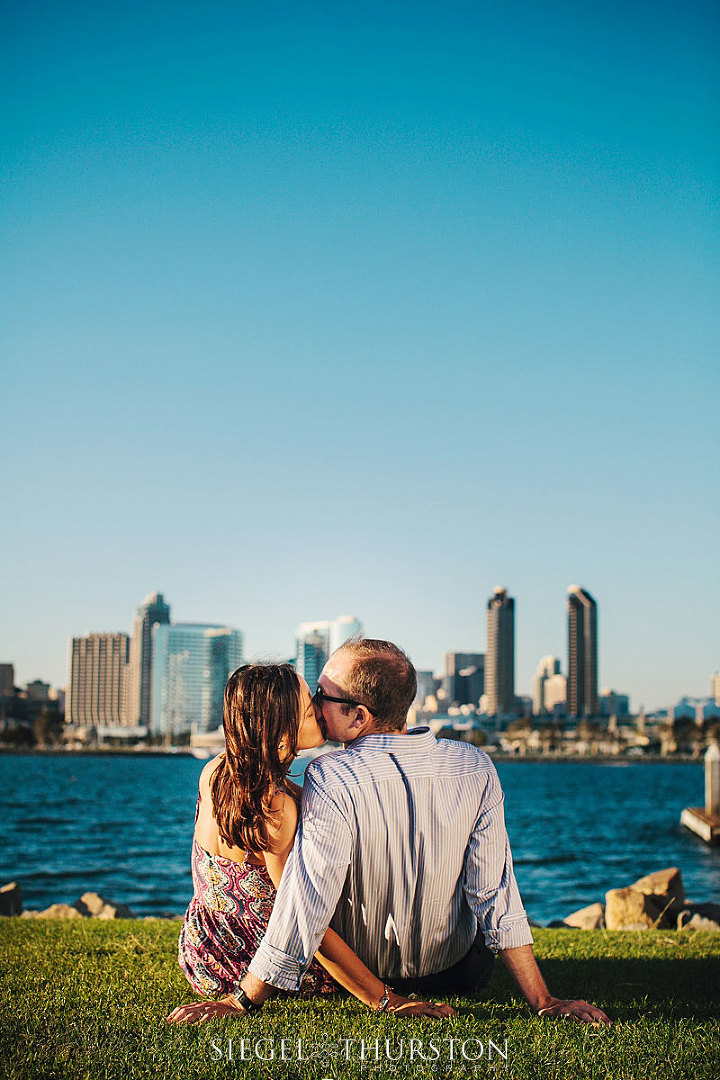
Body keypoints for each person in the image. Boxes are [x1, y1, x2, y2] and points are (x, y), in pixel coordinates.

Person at [179, 640, 610, 1026]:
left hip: (251, 952)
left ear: (359, 716)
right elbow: (495, 892)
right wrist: (541, 998)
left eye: (320, 698)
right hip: (453, 972)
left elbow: (293, 902)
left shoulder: (266, 776)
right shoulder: (476, 766)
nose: (315, 703)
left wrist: (245, 1000)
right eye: (311, 702)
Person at [167, 662, 454, 1023]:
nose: (320, 710)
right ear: (283, 735)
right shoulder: (277, 809)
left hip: (204, 951)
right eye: (309, 709)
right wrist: (384, 999)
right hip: (250, 966)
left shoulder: (216, 770)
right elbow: (303, 916)